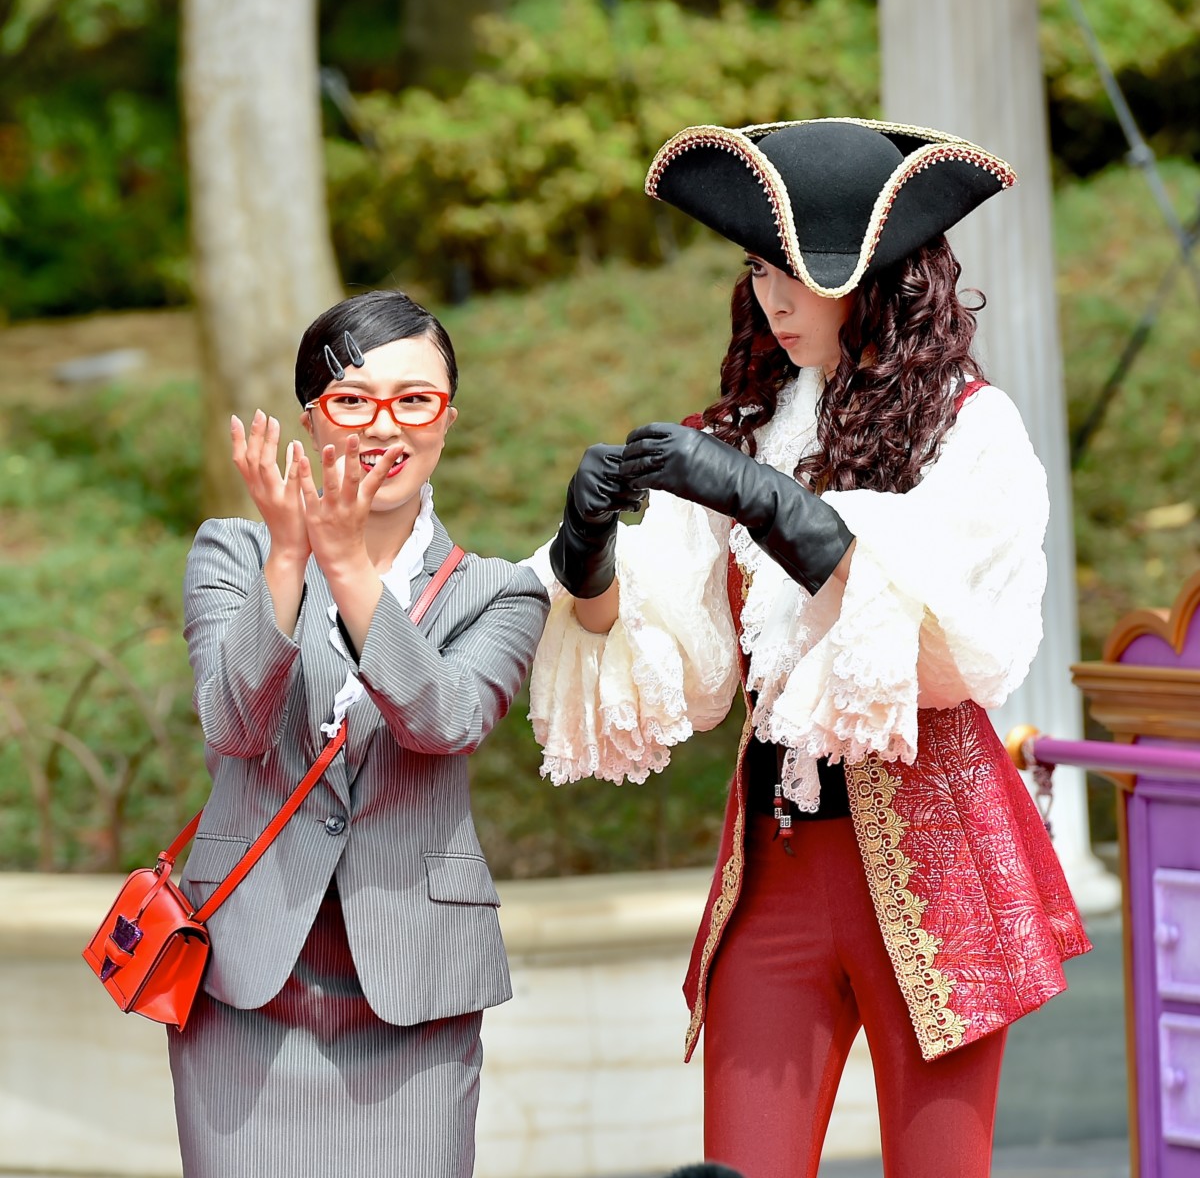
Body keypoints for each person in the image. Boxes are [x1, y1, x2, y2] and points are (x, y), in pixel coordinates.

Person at [527, 118, 1091, 1177]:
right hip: (775, 874)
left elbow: (952, 650)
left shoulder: (973, 430)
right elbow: (671, 669)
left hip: (936, 860)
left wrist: (764, 500)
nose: (773, 300)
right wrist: (588, 550)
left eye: (798, 275)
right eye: (758, 269)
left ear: (877, 280)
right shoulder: (746, 427)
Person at [169, 289, 550, 1178]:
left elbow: (446, 719)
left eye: (415, 399)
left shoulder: (498, 591)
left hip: (416, 984)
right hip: (244, 978)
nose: (385, 425)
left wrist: (344, 565)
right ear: (310, 417)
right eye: (353, 399)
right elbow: (233, 726)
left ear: (447, 417)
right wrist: (292, 556)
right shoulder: (234, 552)